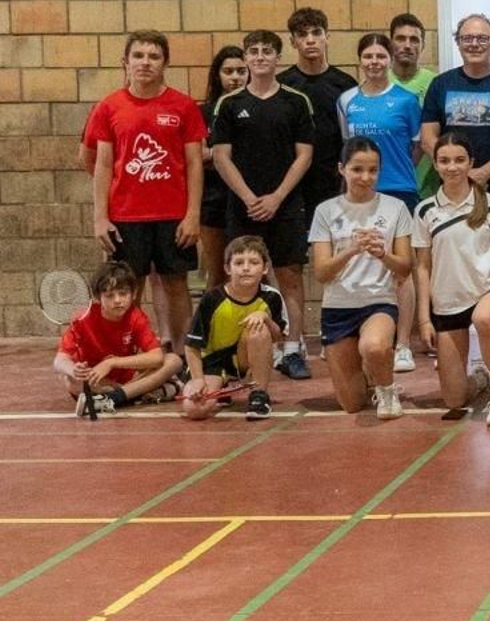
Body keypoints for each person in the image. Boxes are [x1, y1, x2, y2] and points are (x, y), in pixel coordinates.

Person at [420, 14, 490, 366]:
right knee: (452, 259)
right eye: (467, 38)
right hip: (452, 191)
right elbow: (428, 135)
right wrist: (456, 170)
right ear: (458, 41)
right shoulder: (441, 85)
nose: (474, 44)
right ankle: (453, 339)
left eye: (482, 38)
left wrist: (483, 172)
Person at [86, 29, 207, 352]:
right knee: (128, 288)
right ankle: (133, 355)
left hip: (173, 216)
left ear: (165, 63)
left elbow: (195, 164)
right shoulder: (109, 107)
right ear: (125, 62)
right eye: (138, 56)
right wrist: (100, 217)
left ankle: (183, 355)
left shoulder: (183, 106)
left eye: (154, 56)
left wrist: (193, 214)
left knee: (177, 284)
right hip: (125, 216)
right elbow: (102, 165)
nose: (145, 63)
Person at [210, 29, 316, 380]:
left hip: (285, 205)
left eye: (266, 51)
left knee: (290, 276)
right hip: (243, 206)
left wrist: (277, 197)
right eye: (253, 51)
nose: (259, 57)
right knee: (245, 277)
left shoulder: (296, 101)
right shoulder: (230, 104)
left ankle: (292, 349)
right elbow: (221, 157)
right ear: (246, 57)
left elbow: (305, 154)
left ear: (277, 57)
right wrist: (248, 197)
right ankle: (246, 350)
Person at [415, 134, 490, 424]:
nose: (453, 167)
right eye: (445, 161)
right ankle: (481, 380)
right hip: (447, 303)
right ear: (435, 164)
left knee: (484, 320)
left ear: (471, 162)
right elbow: (422, 267)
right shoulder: (425, 210)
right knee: (455, 399)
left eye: (460, 160)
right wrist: (424, 318)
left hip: (488, 291)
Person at [308, 138, 414, 418]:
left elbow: (405, 268)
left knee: (374, 346)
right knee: (352, 405)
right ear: (342, 169)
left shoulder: (395, 208)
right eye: (357, 169)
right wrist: (351, 250)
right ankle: (368, 373)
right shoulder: (326, 211)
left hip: (378, 302)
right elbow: (321, 273)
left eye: (373, 170)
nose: (365, 177)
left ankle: (387, 390)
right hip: (338, 308)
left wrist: (383, 254)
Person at [338, 32, 424, 373]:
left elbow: (415, 148)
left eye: (380, 56)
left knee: (401, 269)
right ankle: (370, 338)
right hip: (358, 194)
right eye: (368, 57)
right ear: (360, 60)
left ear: (389, 60)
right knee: (364, 263)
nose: (374, 62)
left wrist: (396, 174)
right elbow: (349, 146)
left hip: (399, 189)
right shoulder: (347, 100)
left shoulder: (405, 100)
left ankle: (403, 344)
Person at [54, 260, 184, 417]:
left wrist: (111, 362)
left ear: (134, 294)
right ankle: (139, 393)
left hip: (127, 381)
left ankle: (112, 399)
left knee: (174, 360)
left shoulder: (135, 317)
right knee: (69, 380)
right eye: (109, 295)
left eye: (123, 293)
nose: (117, 300)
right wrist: (73, 370)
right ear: (97, 297)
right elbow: (59, 360)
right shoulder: (83, 319)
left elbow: (156, 357)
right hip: (96, 381)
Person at [181, 235, 284, 421]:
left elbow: (277, 337)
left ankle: (259, 395)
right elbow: (191, 345)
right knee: (194, 409)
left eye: (253, 262)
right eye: (238, 263)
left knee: (259, 329)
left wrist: (265, 318)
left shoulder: (272, 298)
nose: (246, 268)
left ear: (265, 269)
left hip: (241, 358)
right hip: (211, 362)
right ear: (227, 268)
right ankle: (221, 387)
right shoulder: (212, 299)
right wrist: (198, 380)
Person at [279, 7, 358, 213]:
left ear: (327, 37)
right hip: (292, 182)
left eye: (316, 32)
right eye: (302, 34)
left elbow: (351, 137)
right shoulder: (282, 85)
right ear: (293, 41)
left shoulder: (346, 84)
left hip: (334, 180)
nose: (310, 40)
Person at [200, 45, 248, 290]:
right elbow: (199, 155)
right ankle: (207, 328)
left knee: (253, 271)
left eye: (241, 71)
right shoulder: (204, 112)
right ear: (217, 75)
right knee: (218, 274)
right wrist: (220, 154)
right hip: (213, 199)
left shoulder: (260, 107)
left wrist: (219, 154)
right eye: (228, 71)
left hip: (250, 200)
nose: (235, 77)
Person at [388, 13, 439, 197]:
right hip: (388, 186)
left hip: (428, 189)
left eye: (414, 40)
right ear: (391, 43)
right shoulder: (376, 83)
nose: (407, 45)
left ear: (423, 45)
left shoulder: (437, 84)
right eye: (400, 38)